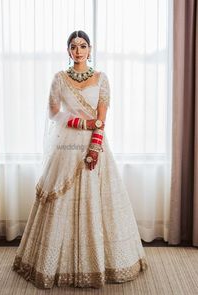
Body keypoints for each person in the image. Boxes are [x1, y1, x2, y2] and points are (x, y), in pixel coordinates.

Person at [12, 30, 148, 289]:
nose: (78, 51)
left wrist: (95, 146)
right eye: (73, 47)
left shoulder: (101, 79)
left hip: (94, 145)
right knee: (60, 200)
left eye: (82, 46)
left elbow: (102, 116)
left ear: (90, 49)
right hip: (67, 145)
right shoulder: (59, 79)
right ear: (68, 51)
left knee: (97, 198)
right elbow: (53, 113)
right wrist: (82, 122)